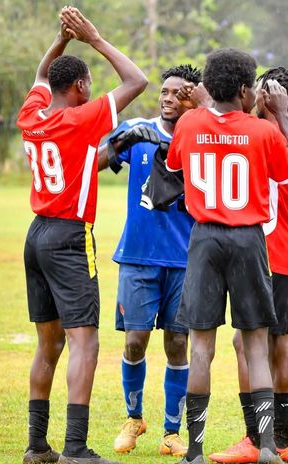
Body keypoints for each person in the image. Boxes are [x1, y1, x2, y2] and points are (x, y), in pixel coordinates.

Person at [17, 7, 147, 464]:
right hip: (70, 237)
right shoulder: (80, 118)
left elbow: (41, 74)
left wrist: (61, 39)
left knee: (48, 344)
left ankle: (37, 446)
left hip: (36, 235)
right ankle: (75, 448)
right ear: (79, 86)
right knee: (84, 342)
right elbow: (137, 81)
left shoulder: (32, 115)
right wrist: (92, 38)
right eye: (88, 84)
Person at [165, 48, 288, 464]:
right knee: (256, 346)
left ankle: (194, 450)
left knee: (201, 349)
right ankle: (267, 447)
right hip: (248, 238)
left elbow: (175, 166)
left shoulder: (189, 123)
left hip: (204, 238)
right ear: (246, 90)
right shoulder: (262, 131)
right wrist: (282, 117)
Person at [95, 64, 203, 457]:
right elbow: (93, 162)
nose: (168, 98)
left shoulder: (201, 138)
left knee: (178, 343)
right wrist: (119, 144)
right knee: (135, 340)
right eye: (164, 92)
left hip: (185, 260)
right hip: (138, 257)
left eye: (179, 93)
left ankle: (172, 432)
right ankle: (134, 417)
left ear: (193, 99)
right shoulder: (139, 129)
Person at [210, 66, 288, 464]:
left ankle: (263, 437)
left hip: (273, 251)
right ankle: (277, 439)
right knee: (270, 343)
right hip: (279, 250)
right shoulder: (286, 133)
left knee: (260, 344)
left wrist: (278, 115)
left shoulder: (273, 135)